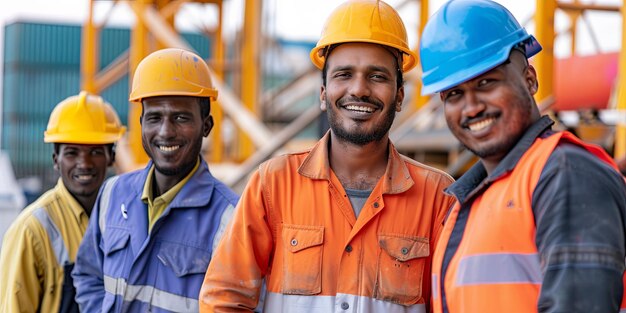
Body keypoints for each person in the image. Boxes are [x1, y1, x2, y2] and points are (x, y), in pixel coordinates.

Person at [200, 0, 455, 311]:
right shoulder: (273, 185)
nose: (359, 89)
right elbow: (224, 299)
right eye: (344, 74)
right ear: (323, 94)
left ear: (399, 96)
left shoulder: (438, 198)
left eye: (377, 76)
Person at [419, 0, 626, 312]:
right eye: (454, 94)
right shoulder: (471, 199)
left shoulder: (565, 175)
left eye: (486, 83)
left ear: (530, 79)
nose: (472, 107)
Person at [72, 48, 240, 312]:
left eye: (181, 118)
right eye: (154, 118)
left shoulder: (232, 218)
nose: (165, 132)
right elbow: (88, 275)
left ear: (206, 126)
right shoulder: (113, 194)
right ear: (141, 123)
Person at [0, 91, 125, 313]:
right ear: (55, 160)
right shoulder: (32, 230)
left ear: (111, 157)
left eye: (95, 151)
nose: (84, 163)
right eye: (71, 153)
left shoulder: (127, 218)